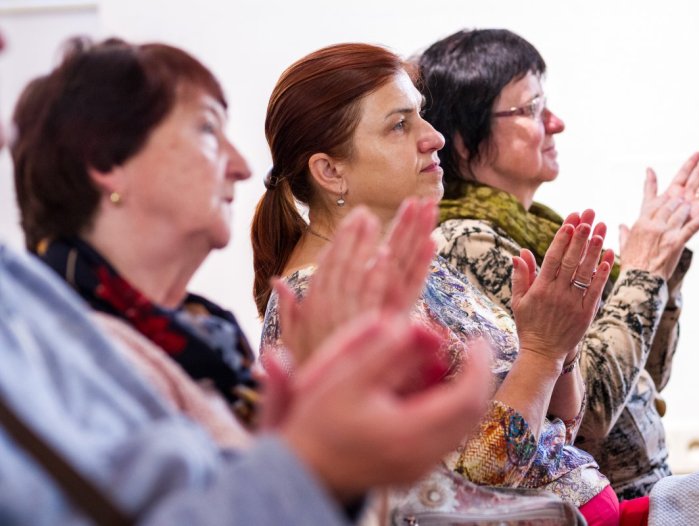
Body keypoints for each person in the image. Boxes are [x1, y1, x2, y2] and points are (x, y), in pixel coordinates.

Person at [0, 33, 492, 525]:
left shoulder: (205, 338)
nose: (240, 167)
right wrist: (315, 456)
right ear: (107, 164)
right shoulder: (67, 341)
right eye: (207, 130)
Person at [251, 42, 690, 525]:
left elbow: (561, 428)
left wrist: (561, 349)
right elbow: (458, 496)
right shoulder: (320, 306)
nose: (433, 137)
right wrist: (541, 354)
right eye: (400, 125)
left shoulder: (419, 267)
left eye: (421, 115)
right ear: (331, 171)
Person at [417, 28, 699, 498]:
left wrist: (661, 264)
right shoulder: (466, 243)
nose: (556, 123)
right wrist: (642, 273)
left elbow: (646, 377)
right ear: (462, 142)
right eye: (531, 109)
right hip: (599, 500)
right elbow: (594, 411)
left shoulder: (536, 231)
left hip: (645, 490)